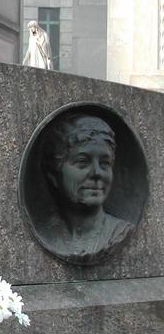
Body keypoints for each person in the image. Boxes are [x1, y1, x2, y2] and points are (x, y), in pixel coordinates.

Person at [41, 113, 133, 264]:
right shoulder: (47, 232)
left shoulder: (120, 232)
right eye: (83, 162)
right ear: (54, 175)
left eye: (105, 163)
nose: (97, 173)